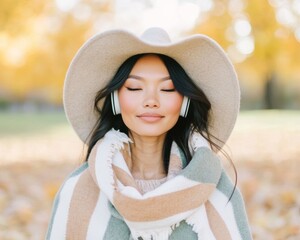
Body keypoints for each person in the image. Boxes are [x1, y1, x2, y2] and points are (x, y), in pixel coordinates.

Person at [46, 27, 252, 239]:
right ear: (116, 98)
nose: (151, 101)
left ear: (185, 101)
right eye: (135, 88)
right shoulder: (77, 191)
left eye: (168, 89)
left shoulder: (216, 190)